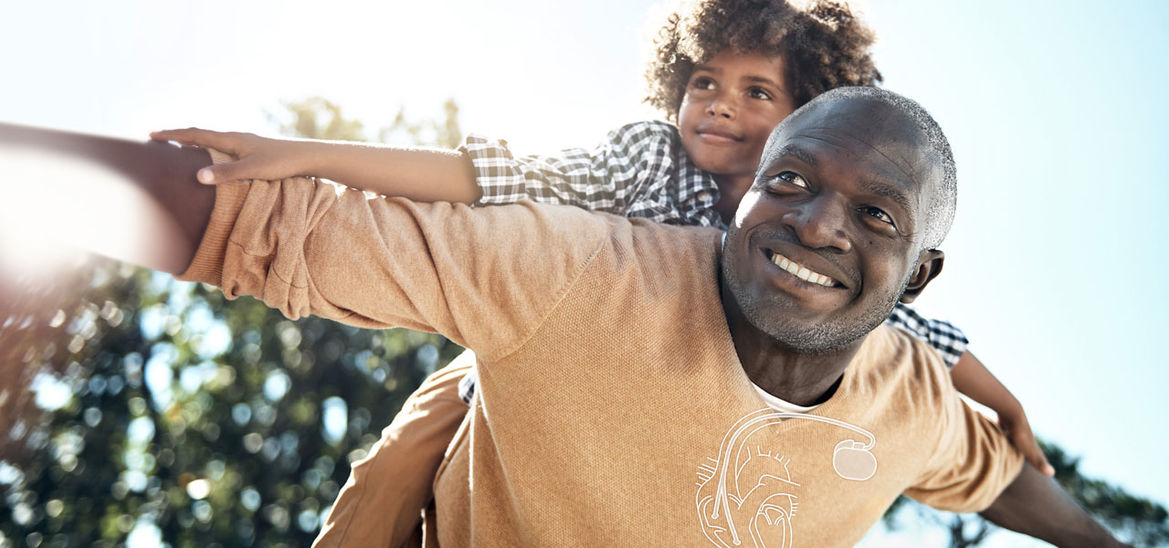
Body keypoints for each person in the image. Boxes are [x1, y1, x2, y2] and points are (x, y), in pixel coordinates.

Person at [152, 1, 1048, 544]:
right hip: (542, 361)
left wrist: (1006, 409)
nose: (719, 107)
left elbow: (920, 337)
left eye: (755, 93)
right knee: (404, 452)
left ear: (809, 115)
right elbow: (485, 177)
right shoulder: (648, 161)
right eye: (704, 82)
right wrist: (294, 154)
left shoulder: (818, 246)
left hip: (675, 426)